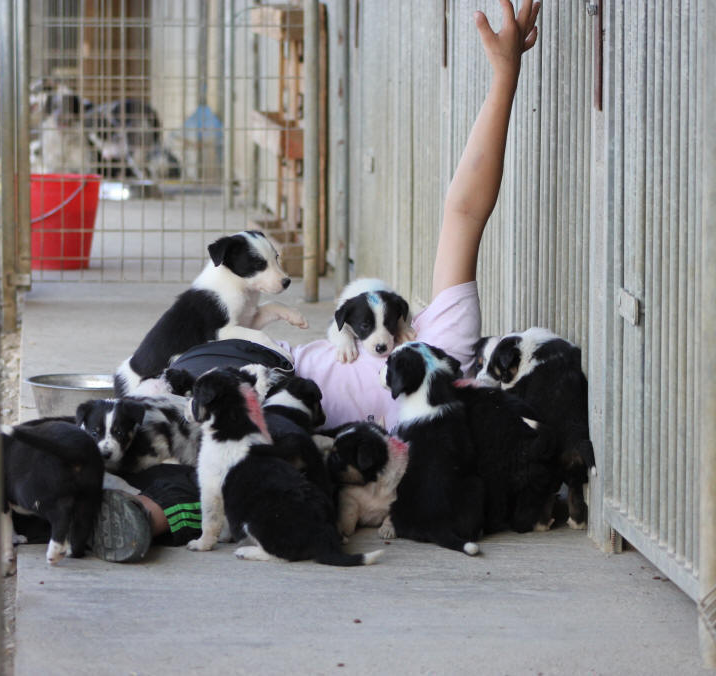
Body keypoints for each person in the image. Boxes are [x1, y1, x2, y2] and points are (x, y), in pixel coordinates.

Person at [86, 0, 542, 561]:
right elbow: (465, 210)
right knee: (182, 420)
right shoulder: (446, 346)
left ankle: (126, 512)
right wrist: (504, 78)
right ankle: (117, 468)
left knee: (220, 473)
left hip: (275, 411)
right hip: (265, 369)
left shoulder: (431, 425)